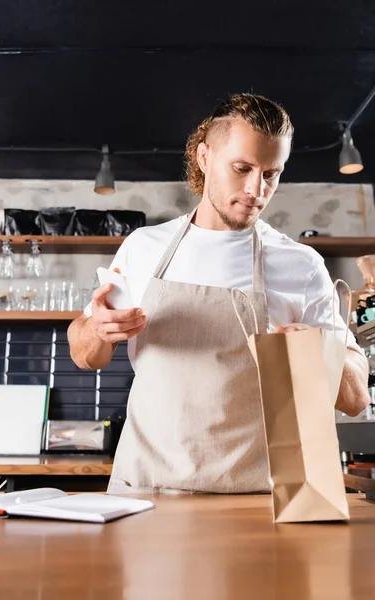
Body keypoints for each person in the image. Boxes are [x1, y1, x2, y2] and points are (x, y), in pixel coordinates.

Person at [68, 93, 369, 494]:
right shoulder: (144, 247)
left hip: (259, 500)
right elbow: (84, 354)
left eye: (271, 174)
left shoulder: (301, 264)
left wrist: (317, 355)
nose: (255, 190)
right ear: (205, 157)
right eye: (242, 168)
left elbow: (354, 398)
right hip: (146, 492)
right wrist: (96, 332)